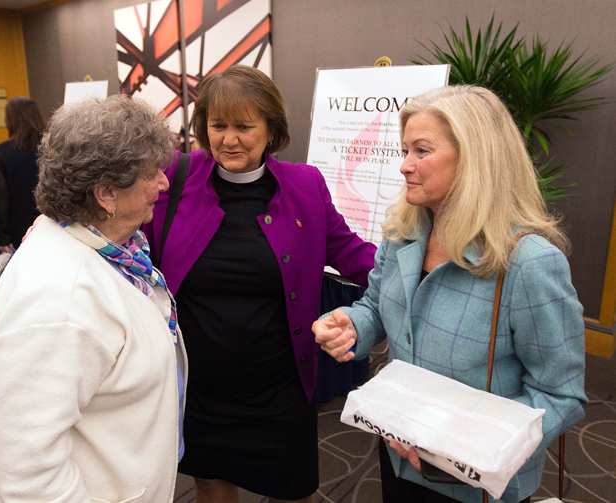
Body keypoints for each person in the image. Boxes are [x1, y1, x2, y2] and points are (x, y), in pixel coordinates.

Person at [313, 85, 587, 503]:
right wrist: (353, 326)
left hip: (476, 484)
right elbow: (375, 306)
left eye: (421, 150)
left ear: (475, 158)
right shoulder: (402, 233)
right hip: (397, 452)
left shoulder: (529, 262)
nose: (404, 166)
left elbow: (560, 394)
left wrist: (472, 450)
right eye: (404, 150)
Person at [142, 64, 377, 503]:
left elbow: (351, 253)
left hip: (280, 387)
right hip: (199, 386)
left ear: (272, 131)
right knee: (210, 482)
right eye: (218, 125)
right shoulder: (173, 178)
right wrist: (55, 224)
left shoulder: (305, 186)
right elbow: (118, 225)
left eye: (244, 126)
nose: (228, 140)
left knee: (293, 490)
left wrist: (422, 273)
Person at [0, 95, 186, 502]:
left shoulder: (108, 246)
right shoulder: (57, 300)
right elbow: (29, 475)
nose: (164, 183)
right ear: (105, 194)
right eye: (151, 173)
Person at [0, 96, 45, 252]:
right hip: (55, 222)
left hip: (20, 229)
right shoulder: (54, 145)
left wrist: (3, 238)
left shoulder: (1, 152)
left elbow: (1, 198)